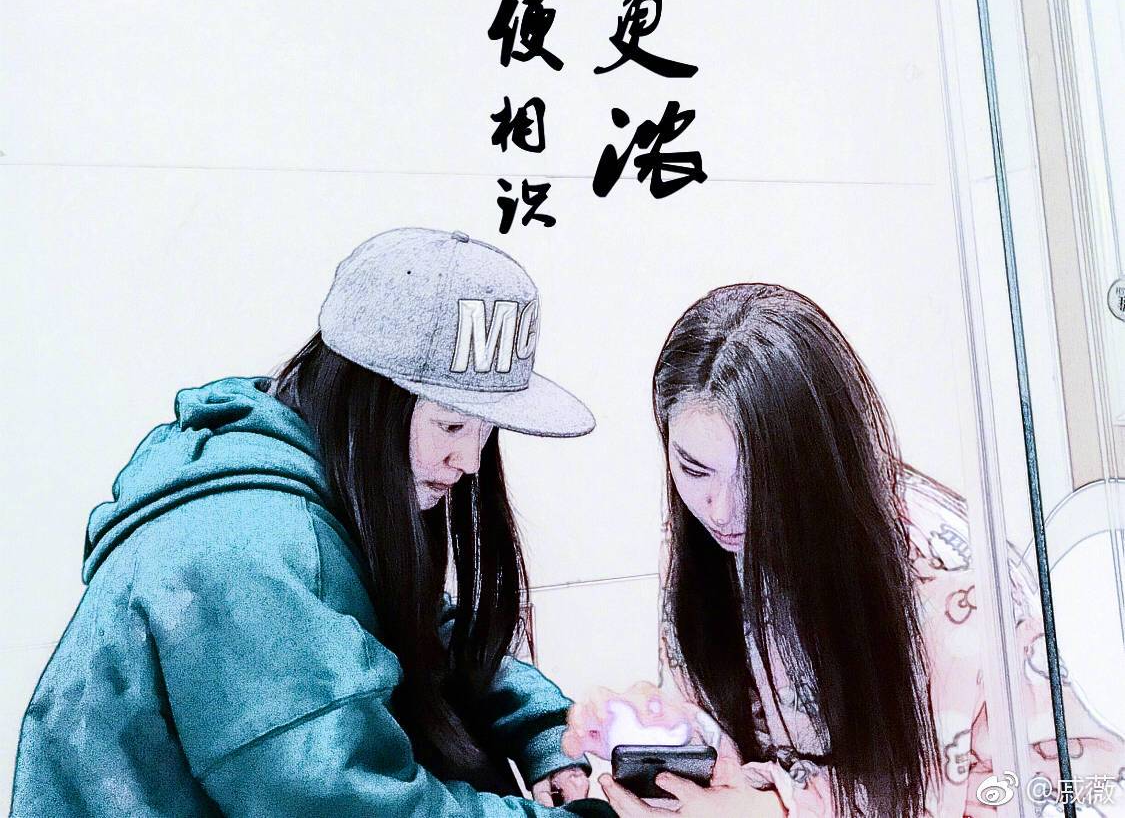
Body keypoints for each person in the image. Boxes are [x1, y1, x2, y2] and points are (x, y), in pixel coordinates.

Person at [11, 227, 613, 817]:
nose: (471, 461)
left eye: (486, 430)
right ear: (367, 400)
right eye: (451, 425)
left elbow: (420, 626)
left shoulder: (304, 478)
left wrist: (544, 732)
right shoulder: (249, 553)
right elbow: (348, 801)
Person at [564, 283, 1125, 818]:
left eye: (757, 479)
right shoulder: (702, 541)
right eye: (694, 469)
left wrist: (782, 809)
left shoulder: (945, 582)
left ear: (821, 458)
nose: (721, 510)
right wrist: (668, 728)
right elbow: (743, 737)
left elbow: (999, 792)